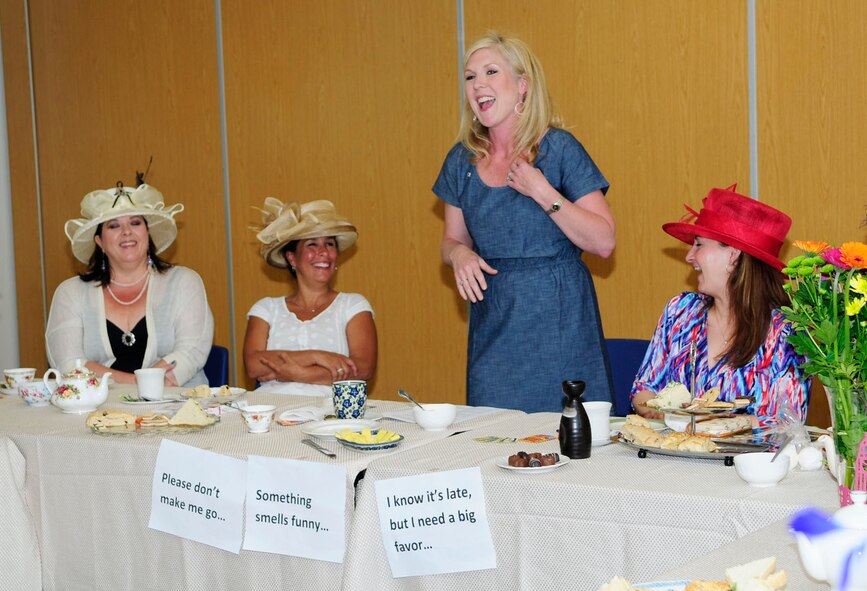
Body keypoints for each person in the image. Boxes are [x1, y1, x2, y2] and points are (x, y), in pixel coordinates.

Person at [432, 31, 616, 412]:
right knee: (492, 444)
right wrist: (460, 255)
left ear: (522, 86)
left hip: (561, 322)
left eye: (490, 72)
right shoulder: (461, 160)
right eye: (470, 76)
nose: (477, 84)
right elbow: (450, 240)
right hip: (495, 326)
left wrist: (542, 191)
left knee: (571, 450)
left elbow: (603, 241)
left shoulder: (560, 149)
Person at [630, 185, 810, 427]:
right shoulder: (680, 312)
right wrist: (665, 414)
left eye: (699, 245)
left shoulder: (785, 332)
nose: (689, 257)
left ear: (734, 255)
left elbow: (788, 422)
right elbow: (644, 389)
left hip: (746, 463)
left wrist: (709, 425)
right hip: (675, 459)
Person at [46, 183, 214, 387]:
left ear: (147, 232)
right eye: (114, 226)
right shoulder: (70, 293)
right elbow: (69, 365)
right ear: (99, 241)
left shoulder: (184, 282)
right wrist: (139, 383)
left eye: (135, 223)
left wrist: (142, 385)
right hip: (96, 411)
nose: (126, 232)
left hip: (177, 406)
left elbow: (191, 352)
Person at [243, 198, 377, 396]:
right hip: (272, 415)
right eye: (312, 244)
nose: (323, 252)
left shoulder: (353, 305)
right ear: (292, 258)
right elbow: (254, 365)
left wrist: (296, 373)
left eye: (329, 244)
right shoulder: (266, 309)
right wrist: (320, 357)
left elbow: (363, 368)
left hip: (331, 417)